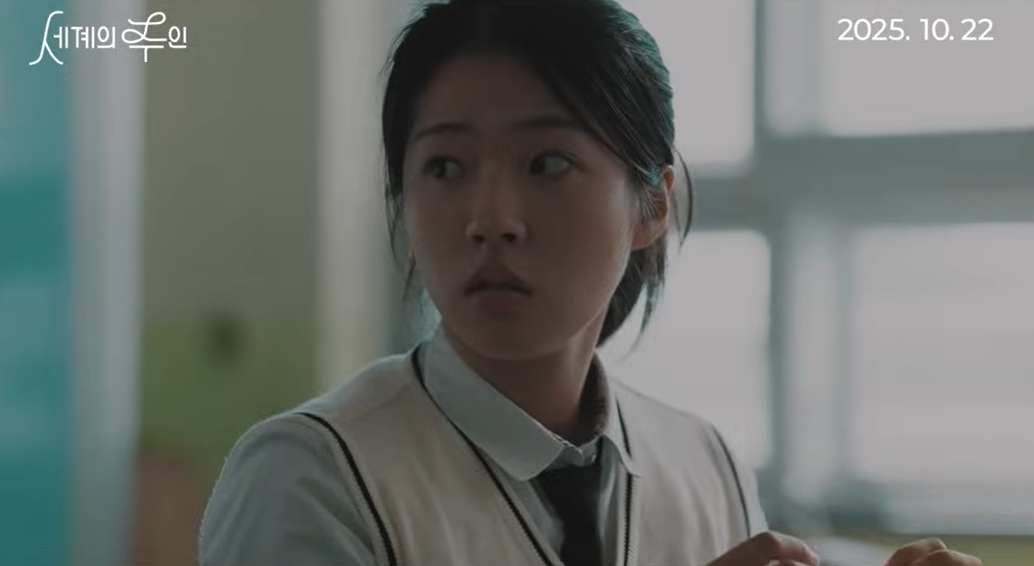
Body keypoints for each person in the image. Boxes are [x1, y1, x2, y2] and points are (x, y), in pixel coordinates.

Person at [198, 1, 982, 565]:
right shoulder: (312, 474)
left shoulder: (702, 463)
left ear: (653, 205)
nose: (491, 219)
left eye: (546, 164)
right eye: (444, 167)